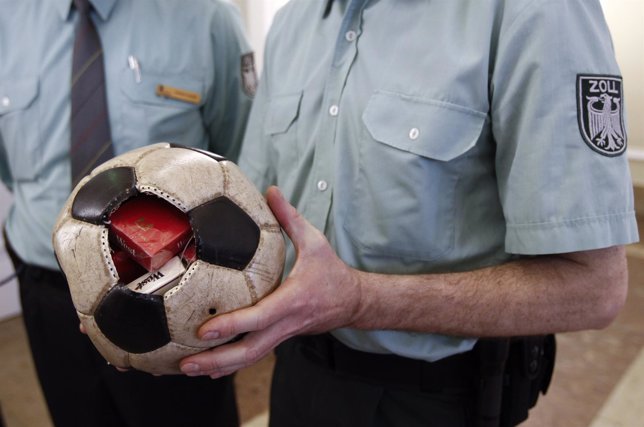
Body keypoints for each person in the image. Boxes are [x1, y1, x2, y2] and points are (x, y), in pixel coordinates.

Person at [180, 0, 639, 426]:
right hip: (297, 374)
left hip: (436, 398)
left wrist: (360, 298)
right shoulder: (294, 20)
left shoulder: (535, 12)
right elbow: (252, 207)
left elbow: (593, 289)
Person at [0, 0, 253, 426]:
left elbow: (238, 164)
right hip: (50, 292)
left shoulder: (207, 17)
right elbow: (10, 169)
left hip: (176, 295)